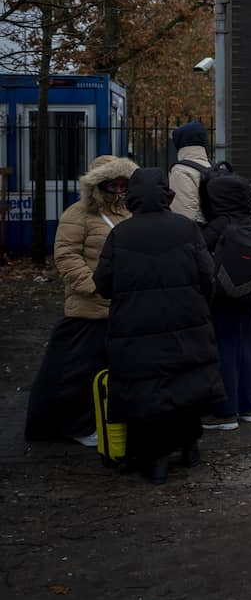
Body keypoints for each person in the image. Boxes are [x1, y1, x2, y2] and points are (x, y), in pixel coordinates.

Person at [93, 168, 223, 484]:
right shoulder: (187, 229)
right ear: (167, 194)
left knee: (148, 392)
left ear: (132, 197)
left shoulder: (120, 235)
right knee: (185, 382)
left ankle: (156, 460)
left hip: (136, 329)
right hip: (186, 322)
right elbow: (208, 277)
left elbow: (104, 284)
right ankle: (190, 446)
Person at [24, 155, 138, 445]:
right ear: (98, 185)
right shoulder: (77, 214)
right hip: (88, 309)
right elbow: (66, 255)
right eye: (112, 184)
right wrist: (91, 286)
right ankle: (75, 425)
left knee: (110, 371)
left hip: (120, 306)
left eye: (123, 184)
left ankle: (97, 419)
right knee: (76, 372)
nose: (118, 190)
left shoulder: (128, 213)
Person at [199, 172, 251, 431]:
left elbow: (197, 251)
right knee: (250, 350)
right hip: (250, 299)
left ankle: (225, 412)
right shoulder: (249, 222)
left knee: (224, 352)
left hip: (222, 301)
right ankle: (249, 407)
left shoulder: (217, 226)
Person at [168, 121, 212, 222]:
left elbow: (183, 216)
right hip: (217, 231)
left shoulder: (181, 172)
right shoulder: (212, 166)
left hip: (198, 234)